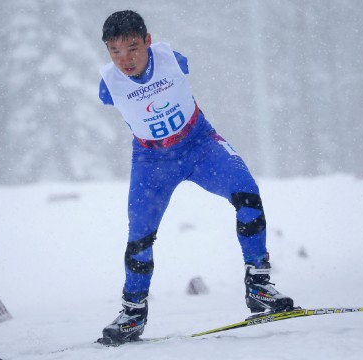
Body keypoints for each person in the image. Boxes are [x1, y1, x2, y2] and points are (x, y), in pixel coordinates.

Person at [97, 10, 295, 345]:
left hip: (200, 145)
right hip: (152, 162)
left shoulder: (170, 59)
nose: (124, 59)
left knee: (247, 194)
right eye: (114, 51)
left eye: (132, 48)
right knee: (140, 238)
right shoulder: (108, 84)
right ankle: (133, 313)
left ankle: (259, 287)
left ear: (147, 41)